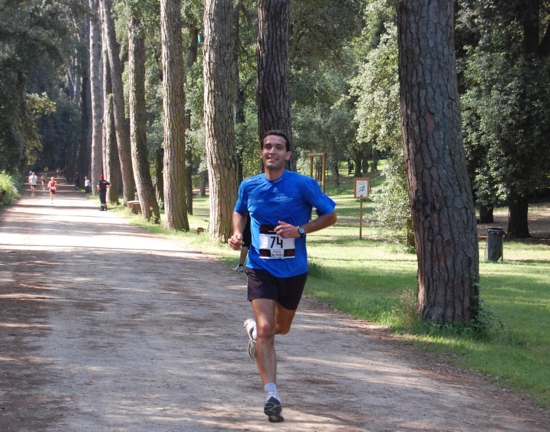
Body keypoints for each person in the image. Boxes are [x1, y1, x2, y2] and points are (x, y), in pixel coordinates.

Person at [229, 130, 337, 423]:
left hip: (294, 270)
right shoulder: (249, 185)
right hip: (259, 267)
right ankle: (272, 395)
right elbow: (239, 211)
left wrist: (299, 230)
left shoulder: (303, 185)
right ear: (262, 152)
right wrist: (238, 233)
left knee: (281, 328)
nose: (272, 151)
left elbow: (330, 215)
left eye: (278, 147)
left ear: (288, 154)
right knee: (267, 330)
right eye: (267, 147)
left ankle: (254, 333)